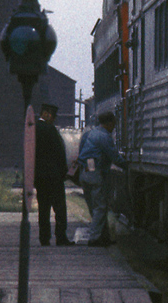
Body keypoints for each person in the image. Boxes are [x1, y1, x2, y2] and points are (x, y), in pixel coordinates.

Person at [78, 111, 125, 247]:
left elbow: (81, 151)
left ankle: (104, 236)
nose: (114, 128)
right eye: (114, 124)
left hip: (84, 172)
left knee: (95, 207)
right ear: (109, 123)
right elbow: (114, 156)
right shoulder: (104, 136)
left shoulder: (89, 133)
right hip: (95, 174)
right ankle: (94, 238)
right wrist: (126, 165)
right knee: (100, 207)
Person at [33, 103, 70, 246]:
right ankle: (61, 237)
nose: (53, 120)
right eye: (52, 116)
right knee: (59, 207)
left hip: (39, 176)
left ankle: (44, 237)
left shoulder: (33, 129)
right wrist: (64, 172)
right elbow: (60, 152)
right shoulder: (51, 130)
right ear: (47, 114)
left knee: (43, 208)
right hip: (54, 176)